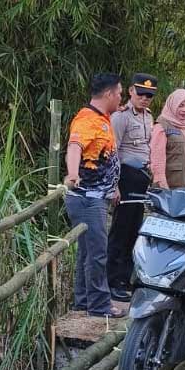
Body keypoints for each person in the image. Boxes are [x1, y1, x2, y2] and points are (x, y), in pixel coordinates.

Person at [65, 72, 125, 318]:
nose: (121, 97)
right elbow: (74, 147)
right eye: (120, 93)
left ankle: (83, 301)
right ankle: (100, 305)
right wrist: (71, 174)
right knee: (98, 251)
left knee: (87, 252)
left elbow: (106, 157)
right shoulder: (86, 120)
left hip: (97, 195)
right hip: (86, 197)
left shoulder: (104, 119)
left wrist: (113, 186)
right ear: (109, 94)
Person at [106, 73, 157, 302]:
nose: (145, 99)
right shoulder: (121, 117)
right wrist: (114, 184)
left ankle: (125, 277)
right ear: (130, 92)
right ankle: (113, 279)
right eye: (141, 94)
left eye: (149, 95)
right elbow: (112, 152)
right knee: (121, 230)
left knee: (135, 229)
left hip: (141, 178)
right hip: (125, 177)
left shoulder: (148, 117)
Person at [150, 89, 185, 191]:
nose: (184, 110)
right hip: (172, 189)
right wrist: (163, 188)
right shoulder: (162, 126)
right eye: (180, 105)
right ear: (172, 105)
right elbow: (157, 162)